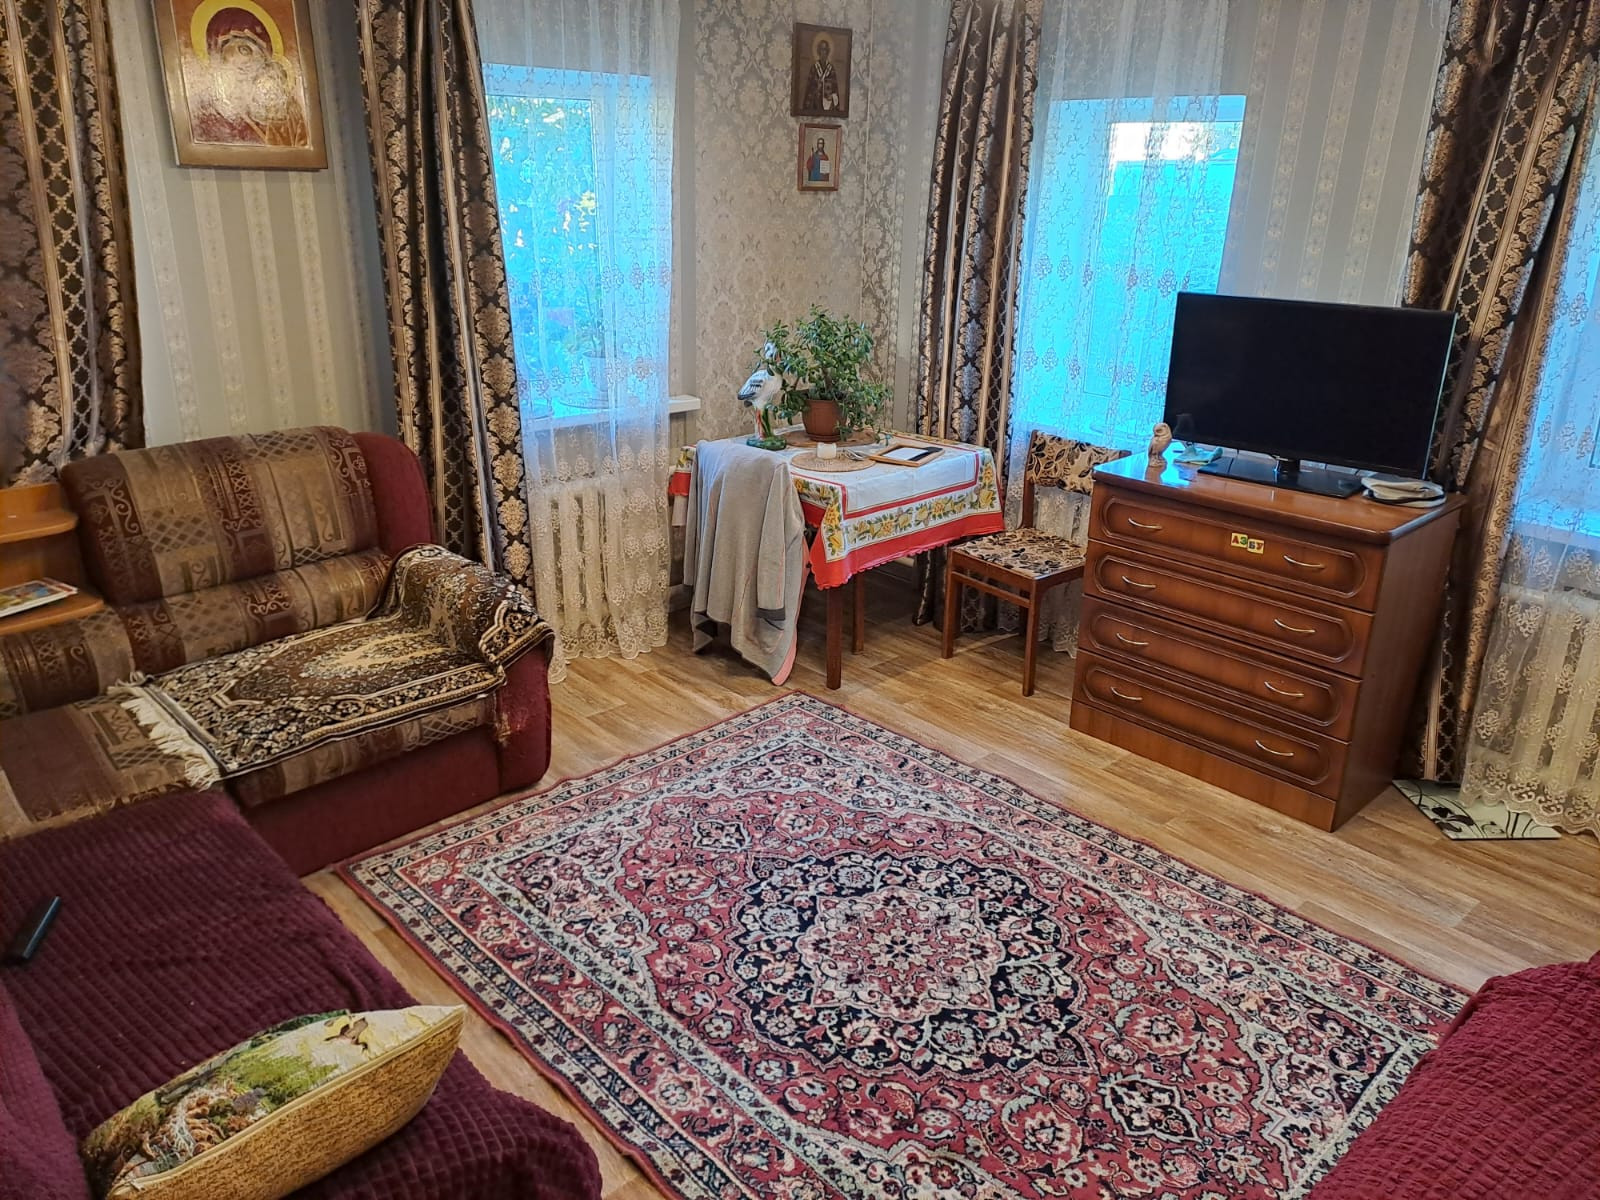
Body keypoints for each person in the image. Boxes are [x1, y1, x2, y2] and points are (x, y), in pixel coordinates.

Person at [801, 36, 841, 114]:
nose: (824, 52)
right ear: (819, 51)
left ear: (828, 51)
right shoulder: (814, 68)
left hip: (828, 105)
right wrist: (817, 88)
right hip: (815, 104)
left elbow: (835, 89)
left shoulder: (831, 69)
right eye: (822, 49)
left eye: (825, 49)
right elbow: (809, 88)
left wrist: (832, 96)